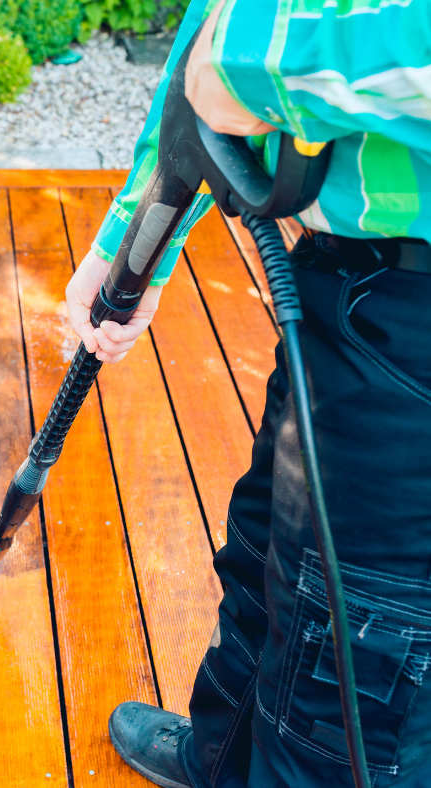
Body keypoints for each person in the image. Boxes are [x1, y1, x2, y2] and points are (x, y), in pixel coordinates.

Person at [66, 0, 431, 786]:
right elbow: (219, 28)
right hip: (350, 285)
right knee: (271, 560)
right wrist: (134, 243)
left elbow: (231, 52)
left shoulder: (260, 59)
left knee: (355, 652)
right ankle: (222, 759)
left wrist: (257, 63)